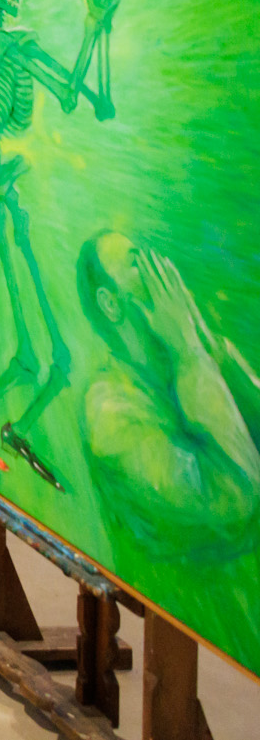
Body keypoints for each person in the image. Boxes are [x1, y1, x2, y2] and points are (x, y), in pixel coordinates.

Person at [79, 231, 260, 567]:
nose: (164, 272)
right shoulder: (109, 413)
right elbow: (239, 494)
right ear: (111, 304)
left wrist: (203, 342)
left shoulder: (186, 362)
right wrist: (189, 351)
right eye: (138, 263)